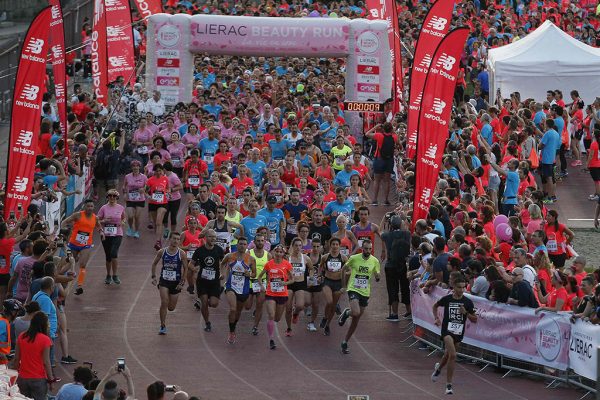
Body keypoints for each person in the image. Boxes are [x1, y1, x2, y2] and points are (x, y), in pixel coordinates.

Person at [431, 276, 478, 395]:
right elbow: (435, 306)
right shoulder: (447, 299)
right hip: (447, 330)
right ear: (454, 287)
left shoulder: (467, 302)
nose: (462, 290)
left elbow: (475, 319)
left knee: (448, 355)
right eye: (459, 287)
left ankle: (438, 369)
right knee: (453, 354)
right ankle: (449, 385)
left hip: (459, 332)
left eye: (463, 287)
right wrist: (436, 318)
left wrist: (466, 313)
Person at [338, 239, 381, 354]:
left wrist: (377, 276)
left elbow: (377, 276)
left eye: (369, 249)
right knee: (355, 312)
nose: (367, 251)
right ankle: (347, 312)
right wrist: (344, 285)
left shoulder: (375, 261)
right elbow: (343, 269)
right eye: (365, 248)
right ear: (362, 248)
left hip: (365, 292)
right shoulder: (354, 258)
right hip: (353, 288)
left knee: (356, 320)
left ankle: (345, 341)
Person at [61, 199, 105, 295]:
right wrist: (62, 231)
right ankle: (61, 277)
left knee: (83, 264)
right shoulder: (78, 215)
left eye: (91, 206)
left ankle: (79, 286)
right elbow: (65, 221)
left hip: (86, 245)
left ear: (93, 208)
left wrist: (101, 232)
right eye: (88, 206)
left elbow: (98, 226)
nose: (90, 208)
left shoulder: (95, 218)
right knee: (70, 262)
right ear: (85, 207)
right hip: (73, 244)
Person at [151, 232, 188, 335]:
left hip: (176, 283)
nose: (176, 241)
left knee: (171, 308)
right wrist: (153, 277)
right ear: (170, 239)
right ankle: (162, 325)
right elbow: (154, 264)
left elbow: (186, 268)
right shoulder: (162, 252)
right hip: (164, 281)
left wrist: (182, 282)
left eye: (178, 239)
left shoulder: (181, 254)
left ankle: (166, 315)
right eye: (174, 239)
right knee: (164, 302)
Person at [257, 244, 293, 350]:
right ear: (273, 252)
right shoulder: (269, 264)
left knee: (277, 318)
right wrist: (262, 287)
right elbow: (260, 277)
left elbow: (292, 279)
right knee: (271, 315)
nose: (278, 254)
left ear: (283, 254)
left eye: (280, 252)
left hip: (282, 294)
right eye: (276, 251)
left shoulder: (287, 264)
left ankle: (273, 327)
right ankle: (271, 339)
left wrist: (285, 283)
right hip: (270, 293)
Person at [220, 236, 256, 344]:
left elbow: (254, 274)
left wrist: (249, 274)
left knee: (238, 311)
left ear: (247, 246)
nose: (242, 246)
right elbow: (222, 264)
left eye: (245, 244)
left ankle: (233, 326)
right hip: (231, 286)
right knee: (232, 309)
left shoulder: (250, 259)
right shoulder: (230, 256)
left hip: (244, 288)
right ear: (237, 245)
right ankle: (231, 332)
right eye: (240, 244)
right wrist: (222, 274)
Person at [14, 311, 55, 400]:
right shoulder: (45, 340)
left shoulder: (22, 336)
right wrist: (51, 380)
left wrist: (14, 374)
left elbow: (16, 358)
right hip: (38, 379)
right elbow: (46, 362)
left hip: (23, 378)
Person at [191, 229, 225, 332]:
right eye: (210, 237)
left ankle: (217, 292)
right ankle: (207, 323)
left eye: (214, 237)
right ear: (206, 237)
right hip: (202, 281)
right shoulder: (199, 251)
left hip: (214, 282)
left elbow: (223, 263)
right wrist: (194, 269)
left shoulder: (219, 250)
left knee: (213, 304)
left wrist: (222, 272)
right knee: (204, 302)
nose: (213, 239)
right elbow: (190, 264)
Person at [380, 215, 411, 320]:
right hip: (404, 265)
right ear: (401, 224)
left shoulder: (386, 235)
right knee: (405, 288)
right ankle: (409, 311)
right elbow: (407, 226)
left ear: (390, 225)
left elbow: (379, 231)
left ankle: (394, 314)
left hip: (391, 265)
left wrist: (384, 218)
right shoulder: (407, 234)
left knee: (392, 289)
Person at [284, 237, 314, 337]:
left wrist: (311, 279)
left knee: (300, 305)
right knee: (288, 308)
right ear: (292, 246)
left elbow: (311, 268)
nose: (298, 247)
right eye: (296, 245)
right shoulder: (287, 258)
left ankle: (295, 313)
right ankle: (288, 328)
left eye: (299, 245)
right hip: (289, 284)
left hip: (300, 283)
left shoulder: (305, 258)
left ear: (302, 247)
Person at [318, 237, 347, 336]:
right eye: (333, 244)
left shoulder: (343, 258)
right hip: (327, 281)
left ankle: (327, 325)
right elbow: (320, 266)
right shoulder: (325, 257)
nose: (335, 246)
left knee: (333, 306)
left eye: (336, 244)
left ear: (339, 246)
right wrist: (319, 275)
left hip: (338, 283)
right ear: (330, 245)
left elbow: (348, 269)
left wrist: (346, 279)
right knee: (329, 301)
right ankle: (325, 318)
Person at [365, 122, 397, 206]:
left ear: (383, 129)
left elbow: (367, 134)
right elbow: (399, 142)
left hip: (379, 159)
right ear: (391, 129)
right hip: (389, 160)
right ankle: (386, 200)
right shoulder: (394, 136)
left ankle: (375, 200)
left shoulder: (379, 135)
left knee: (377, 180)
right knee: (387, 181)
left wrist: (376, 127)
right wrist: (393, 130)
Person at [98, 189, 126, 285]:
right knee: (108, 256)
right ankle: (108, 275)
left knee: (114, 253)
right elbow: (97, 221)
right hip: (106, 234)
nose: (112, 198)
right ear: (107, 197)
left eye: (114, 196)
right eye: (110, 196)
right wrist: (104, 220)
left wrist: (122, 222)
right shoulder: (103, 208)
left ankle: (115, 275)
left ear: (117, 197)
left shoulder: (121, 208)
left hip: (117, 233)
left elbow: (124, 218)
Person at [246, 233, 271, 336]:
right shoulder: (249, 253)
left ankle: (255, 326)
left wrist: (269, 284)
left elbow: (269, 271)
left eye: (262, 241)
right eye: (258, 241)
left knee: (260, 305)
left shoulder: (268, 255)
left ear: (264, 242)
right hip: (250, 282)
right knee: (247, 306)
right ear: (254, 242)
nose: (260, 243)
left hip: (262, 283)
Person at [1, 299, 25, 365]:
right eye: (17, 312)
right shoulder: (3, 323)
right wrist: (1, 355)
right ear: (12, 312)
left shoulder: (5, 321)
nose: (17, 314)